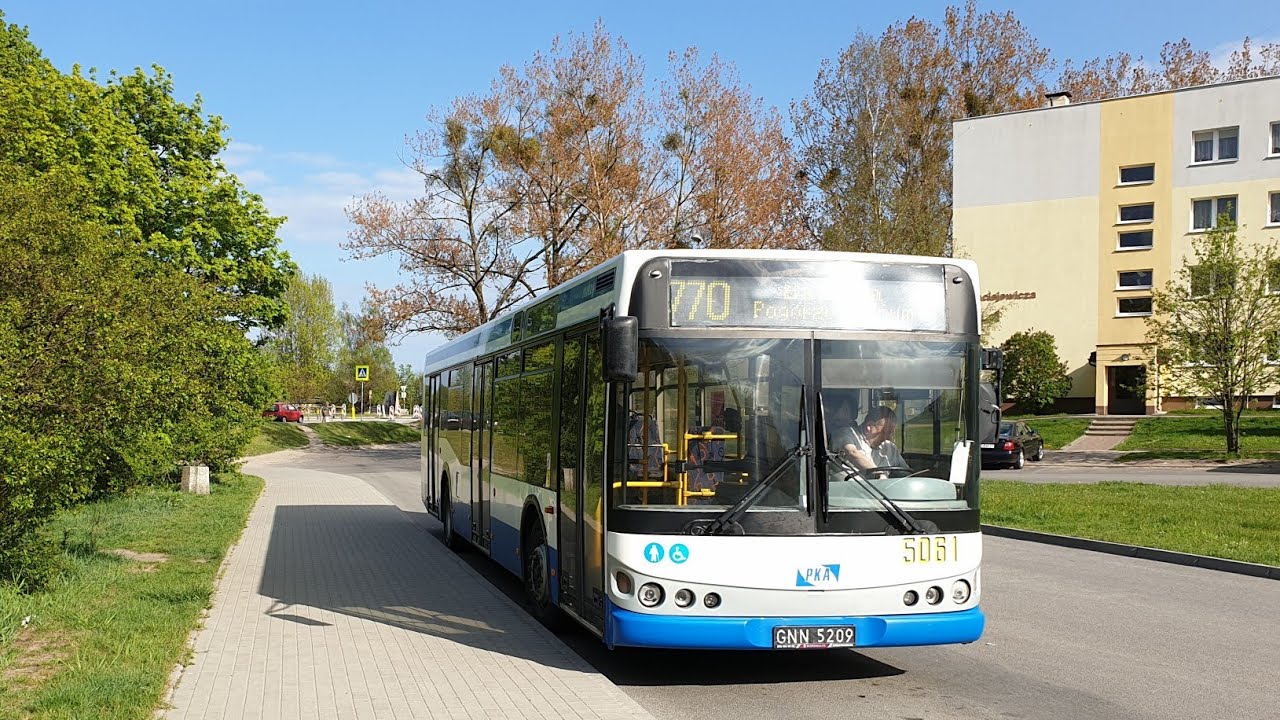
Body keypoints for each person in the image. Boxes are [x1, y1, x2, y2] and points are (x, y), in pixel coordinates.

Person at [831, 402, 906, 476]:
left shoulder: (890, 448)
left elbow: (905, 473)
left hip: (881, 488)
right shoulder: (845, 434)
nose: (889, 438)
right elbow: (852, 453)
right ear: (869, 427)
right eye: (885, 433)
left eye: (891, 433)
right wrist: (878, 474)